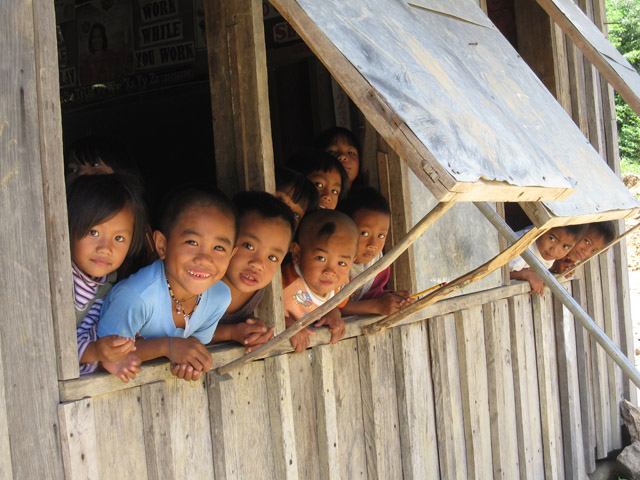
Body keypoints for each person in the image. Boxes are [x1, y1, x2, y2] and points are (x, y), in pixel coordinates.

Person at [97, 185, 238, 381]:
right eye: (192, 242)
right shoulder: (137, 296)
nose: (205, 259)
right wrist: (168, 347)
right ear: (162, 245)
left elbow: (195, 342)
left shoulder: (220, 296)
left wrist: (187, 358)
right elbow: (106, 355)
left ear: (232, 255)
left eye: (219, 247)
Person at [68, 174, 147, 381]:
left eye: (119, 238)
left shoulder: (109, 285)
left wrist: (113, 352)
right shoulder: (61, 281)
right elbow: (44, 346)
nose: (106, 248)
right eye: (93, 232)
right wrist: (95, 352)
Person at [211, 191, 296, 353]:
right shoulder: (202, 284)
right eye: (249, 246)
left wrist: (253, 328)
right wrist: (231, 333)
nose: (258, 264)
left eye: (272, 257)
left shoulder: (256, 287)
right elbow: (183, 331)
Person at [282, 209, 358, 352]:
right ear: (297, 253)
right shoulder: (283, 282)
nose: (330, 271)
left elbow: (337, 305)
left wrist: (334, 313)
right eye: (321, 258)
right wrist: (286, 325)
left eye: (341, 263)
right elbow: (260, 312)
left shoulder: (342, 286)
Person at [338, 187, 413, 315]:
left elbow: (369, 295)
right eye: (365, 233)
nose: (373, 244)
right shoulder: (332, 261)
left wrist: (392, 298)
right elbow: (327, 307)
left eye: (381, 236)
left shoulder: (377, 264)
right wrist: (376, 306)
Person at [510, 224, 587, 295]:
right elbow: (500, 272)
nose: (555, 250)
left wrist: (556, 267)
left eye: (565, 247)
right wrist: (525, 274)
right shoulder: (521, 251)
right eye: (552, 239)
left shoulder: (547, 253)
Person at [551, 221, 615, 275]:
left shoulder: (565, 261)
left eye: (594, 251)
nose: (586, 252)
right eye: (587, 241)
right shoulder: (552, 241)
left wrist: (556, 266)